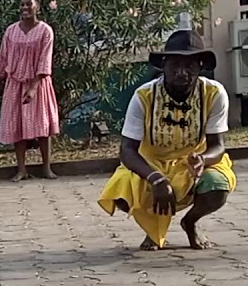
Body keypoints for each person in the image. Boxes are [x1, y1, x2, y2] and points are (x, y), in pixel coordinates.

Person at [97, 30, 235, 251]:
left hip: (191, 164)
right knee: (120, 193)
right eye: (175, 65)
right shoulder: (143, 96)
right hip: (151, 164)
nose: (181, 72)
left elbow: (218, 146)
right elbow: (127, 150)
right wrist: (156, 179)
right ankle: (153, 229)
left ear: (200, 66)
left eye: (189, 65)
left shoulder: (214, 93)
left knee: (217, 186)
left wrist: (203, 159)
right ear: (163, 65)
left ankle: (190, 222)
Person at [0, 0, 60, 182]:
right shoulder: (11, 32)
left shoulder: (45, 31)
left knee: (42, 127)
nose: (25, 8)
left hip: (38, 84)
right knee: (17, 127)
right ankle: (21, 169)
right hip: (14, 84)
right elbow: (3, 59)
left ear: (37, 7)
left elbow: (44, 61)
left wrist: (33, 88)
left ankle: (46, 168)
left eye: (29, 4)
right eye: (22, 4)